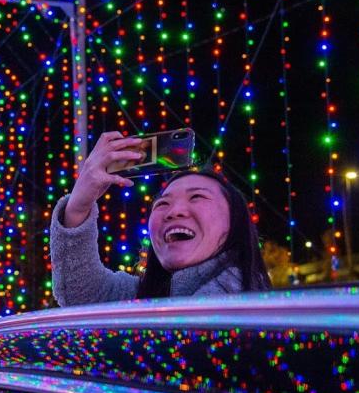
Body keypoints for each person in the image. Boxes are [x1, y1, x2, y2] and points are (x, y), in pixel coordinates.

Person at [50, 131, 271, 306]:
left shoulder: (244, 309)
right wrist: (78, 206)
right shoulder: (146, 295)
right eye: (162, 203)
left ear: (235, 222)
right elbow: (82, 292)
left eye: (197, 197)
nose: (174, 212)